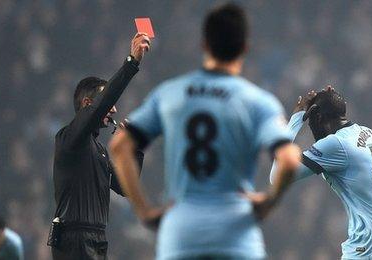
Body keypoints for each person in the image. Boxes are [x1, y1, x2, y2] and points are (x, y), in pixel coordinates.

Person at [109, 3, 301, 260]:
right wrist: (267, 202)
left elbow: (120, 146)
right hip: (236, 234)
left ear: (204, 45)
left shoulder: (170, 94)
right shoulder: (258, 101)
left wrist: (143, 211)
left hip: (181, 233)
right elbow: (289, 159)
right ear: (245, 48)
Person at [270, 86, 372, 260]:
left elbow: (277, 175)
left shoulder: (337, 144)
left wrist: (296, 118)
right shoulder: (370, 133)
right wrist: (329, 98)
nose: (312, 129)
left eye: (311, 122)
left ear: (319, 117)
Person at [48, 33, 151, 260]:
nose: (114, 110)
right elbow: (101, 105)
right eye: (109, 103)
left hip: (97, 238)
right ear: (87, 104)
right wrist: (131, 63)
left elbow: (125, 188)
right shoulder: (69, 138)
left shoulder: (98, 150)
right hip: (75, 238)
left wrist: (134, 149)